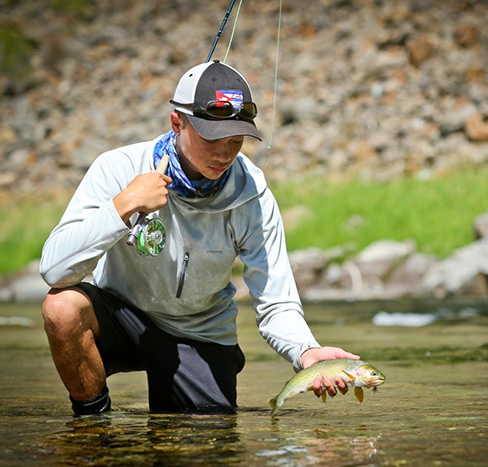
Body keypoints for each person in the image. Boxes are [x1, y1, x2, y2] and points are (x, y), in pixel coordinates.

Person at [40, 60, 358, 415]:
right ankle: (92, 427)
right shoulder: (117, 168)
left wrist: (306, 350)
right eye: (211, 139)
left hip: (200, 335)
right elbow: (54, 271)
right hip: (123, 318)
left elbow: (276, 302)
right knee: (61, 307)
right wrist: (123, 206)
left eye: (236, 141)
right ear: (178, 122)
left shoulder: (252, 194)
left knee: (203, 448)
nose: (224, 155)